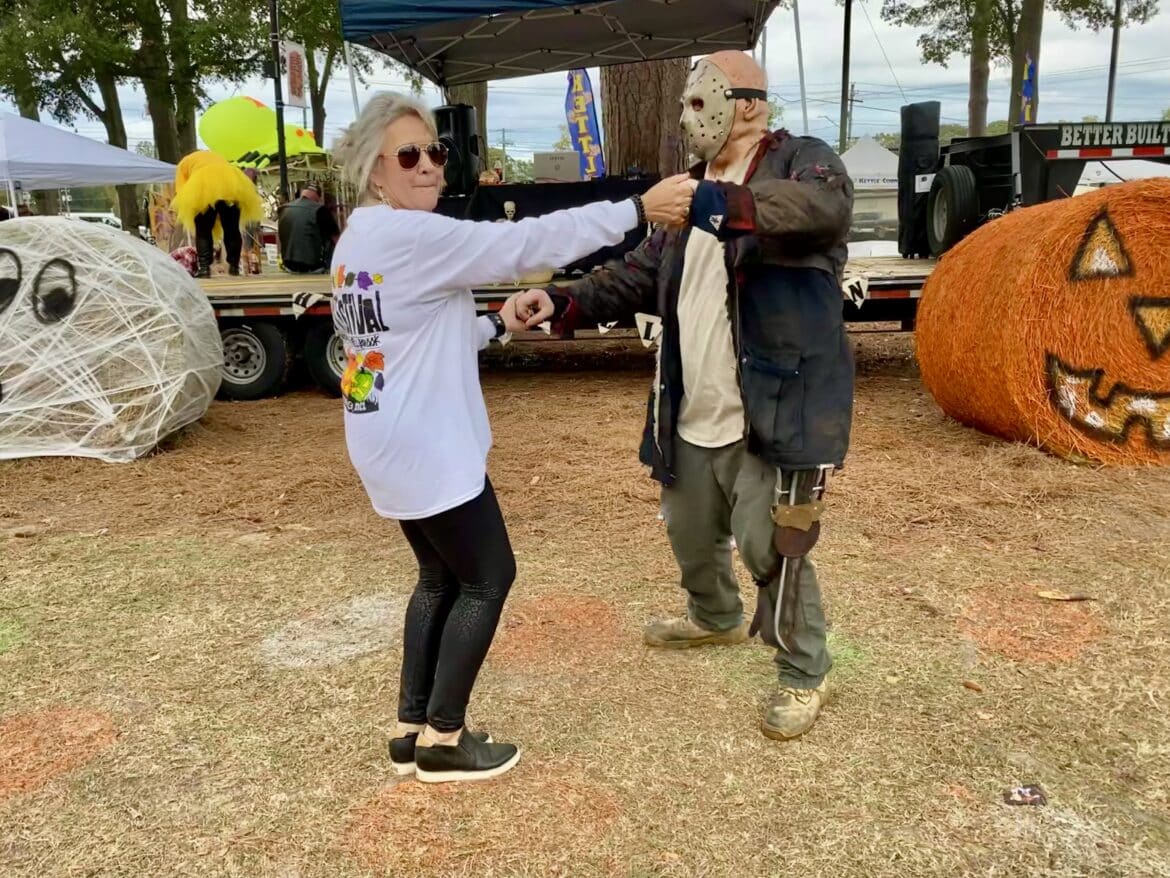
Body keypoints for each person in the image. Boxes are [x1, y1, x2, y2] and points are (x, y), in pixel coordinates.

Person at [329, 91, 695, 783]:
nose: (428, 166)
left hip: (383, 434)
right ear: (375, 170)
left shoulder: (360, 241)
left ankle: (411, 728)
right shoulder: (411, 236)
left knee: (439, 576)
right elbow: (523, 243)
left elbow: (411, 338)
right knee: (489, 575)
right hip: (426, 443)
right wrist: (637, 209)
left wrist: (498, 324)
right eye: (408, 156)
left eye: (435, 151)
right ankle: (445, 738)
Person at [509, 50, 855, 741]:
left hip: (772, 405)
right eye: (685, 106)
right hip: (691, 400)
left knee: (771, 544)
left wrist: (714, 204)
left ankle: (805, 670)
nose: (687, 118)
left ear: (748, 105)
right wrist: (562, 301)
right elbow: (639, 272)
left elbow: (821, 210)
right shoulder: (689, 190)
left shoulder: (802, 162)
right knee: (690, 531)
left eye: (701, 103)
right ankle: (715, 617)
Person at [171, 150, 264, 277]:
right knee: (232, 228)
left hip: (203, 183)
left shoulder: (184, 163)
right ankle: (234, 267)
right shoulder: (217, 156)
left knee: (203, 230)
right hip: (231, 181)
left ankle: (204, 268)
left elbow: (181, 191)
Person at [278, 182, 339, 273]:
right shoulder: (320, 209)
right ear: (318, 197)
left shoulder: (284, 209)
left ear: (302, 192)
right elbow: (336, 238)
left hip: (288, 265)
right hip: (312, 266)